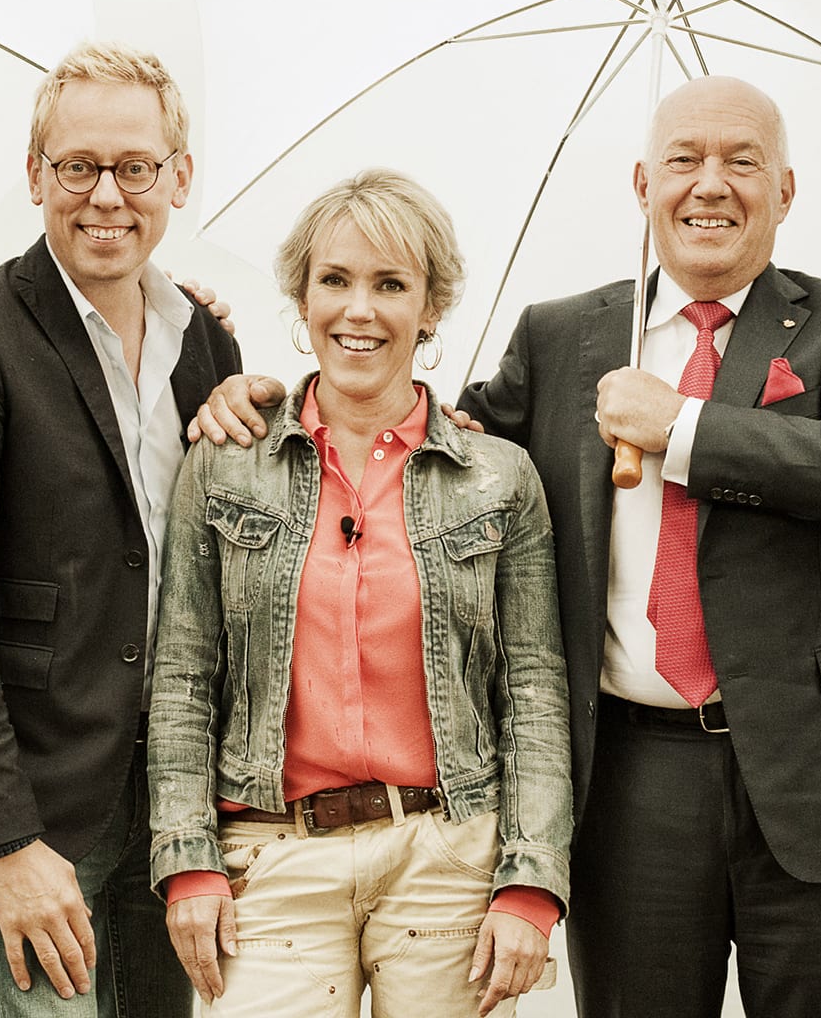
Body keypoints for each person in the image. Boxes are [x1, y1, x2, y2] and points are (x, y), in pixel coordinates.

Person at [192, 77, 821, 1017]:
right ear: (644, 184)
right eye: (683, 160)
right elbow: (432, 439)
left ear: (786, 190)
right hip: (629, 776)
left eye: (742, 161)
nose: (710, 184)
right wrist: (263, 398)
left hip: (820, 774)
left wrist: (681, 426)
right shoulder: (561, 334)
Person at [148, 168, 571, 1018]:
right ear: (302, 299)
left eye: (391, 285)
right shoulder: (225, 461)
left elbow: (532, 689)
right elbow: (185, 675)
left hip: (448, 857)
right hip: (271, 857)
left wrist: (531, 883)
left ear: (431, 307)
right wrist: (187, 857)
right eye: (335, 280)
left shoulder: (500, 477)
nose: (359, 309)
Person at [0, 41, 240, 1017]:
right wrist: (2, 839)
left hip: (177, 812)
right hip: (38, 814)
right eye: (78, 166)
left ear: (179, 177)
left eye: (135, 168)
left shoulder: (206, 341)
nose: (106, 196)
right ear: (36, 174)